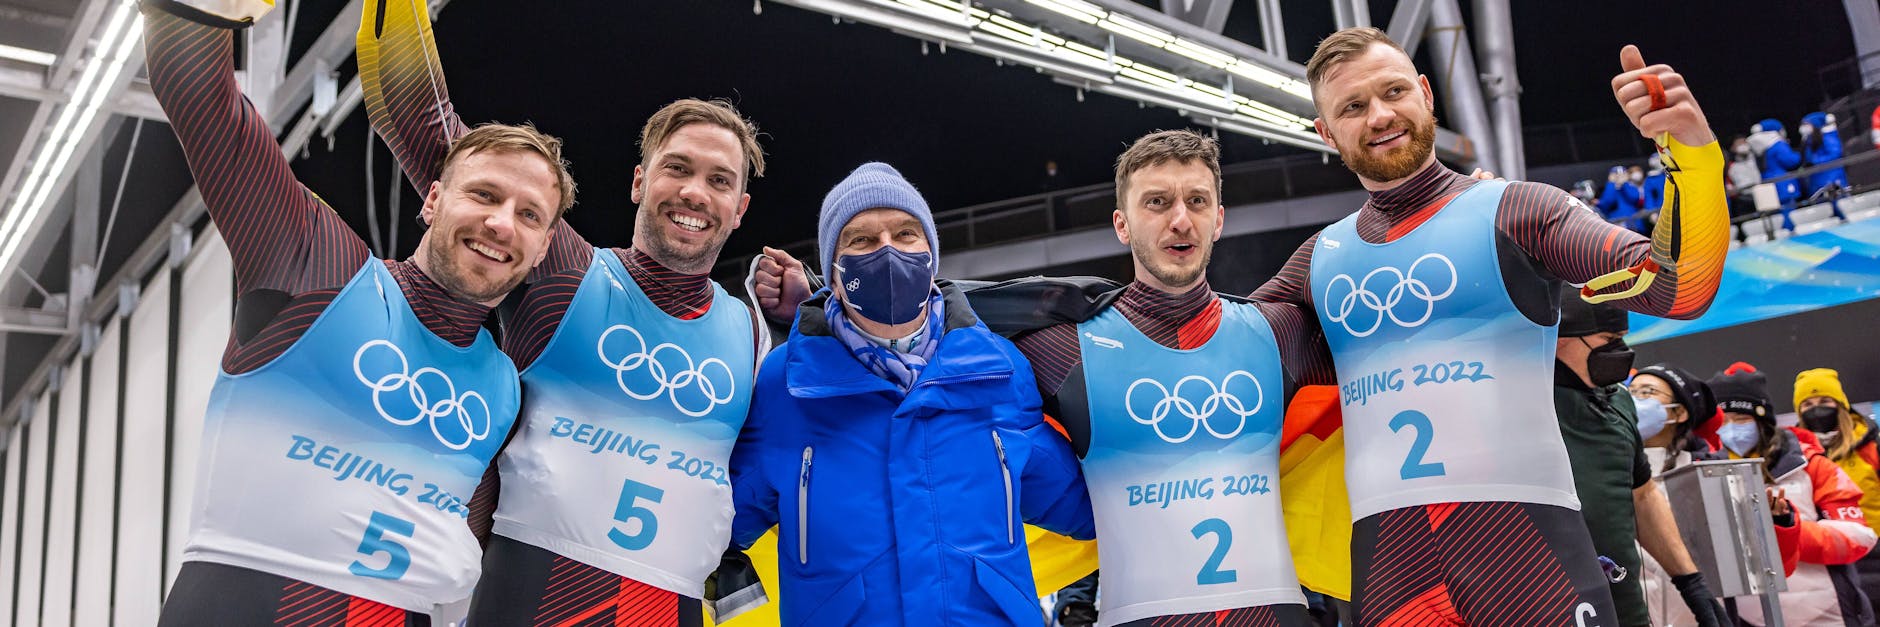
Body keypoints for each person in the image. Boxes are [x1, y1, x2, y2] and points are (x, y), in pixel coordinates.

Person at [1253, 27, 1730, 624]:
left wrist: (1693, 154)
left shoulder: (1517, 210)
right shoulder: (1319, 261)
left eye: (1393, 91)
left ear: (1426, 93)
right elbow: (1217, 360)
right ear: (1326, 133)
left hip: (1525, 550)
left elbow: (1680, 286)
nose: (1379, 116)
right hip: (1390, 569)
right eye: (1352, 107)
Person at [141, 1, 570, 623]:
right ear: (433, 200)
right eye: (483, 194)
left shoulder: (504, 388)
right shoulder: (319, 269)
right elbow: (202, 101)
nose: (501, 224)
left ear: (545, 247)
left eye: (529, 214)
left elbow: (467, 558)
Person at [357, 2, 769, 624]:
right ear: (639, 181)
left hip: (672, 608)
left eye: (719, 180)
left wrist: (813, 307)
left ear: (739, 209)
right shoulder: (564, 272)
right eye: (677, 168)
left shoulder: (754, 331)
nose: (693, 192)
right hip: (530, 599)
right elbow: (418, 120)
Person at [728, 163, 1095, 626]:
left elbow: (1091, 505)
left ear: (931, 256)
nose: (887, 250)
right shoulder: (784, 383)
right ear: (833, 274)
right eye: (861, 240)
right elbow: (717, 519)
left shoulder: (1000, 369)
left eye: (905, 233)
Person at [1552, 294, 1725, 627]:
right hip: (1549, 603)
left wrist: (1691, 583)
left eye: (1622, 338)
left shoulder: (1619, 401)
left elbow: (1642, 494)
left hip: (1624, 603)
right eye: (1609, 339)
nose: (1621, 350)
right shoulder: (1520, 397)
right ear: (1561, 339)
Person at [1708, 365, 1876, 627]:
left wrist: (1785, 530)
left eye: (1740, 418)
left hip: (1824, 611)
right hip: (1745, 616)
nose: (1731, 428)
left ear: (1762, 419)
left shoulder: (1810, 463)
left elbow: (1859, 536)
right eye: (1723, 420)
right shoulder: (1706, 470)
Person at [1630, 363, 1727, 626]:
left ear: (1680, 412)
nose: (1634, 400)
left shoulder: (1705, 473)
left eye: (1647, 392)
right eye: (1631, 391)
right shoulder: (1610, 468)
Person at [1794, 368, 1880, 617]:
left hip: (1875, 550)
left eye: (1824, 401)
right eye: (1807, 404)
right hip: (1832, 559)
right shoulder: (1796, 456)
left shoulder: (1871, 446)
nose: (1816, 410)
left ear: (1840, 404)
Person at [1748, 119, 1804, 231]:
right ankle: (1792, 232)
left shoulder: (1757, 147)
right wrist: (1800, 154)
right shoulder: (1776, 144)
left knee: (1776, 215)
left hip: (1767, 183)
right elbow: (1790, 161)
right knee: (1789, 211)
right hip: (1782, 183)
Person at [1800, 112, 1853, 223]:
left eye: (1807, 124)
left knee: (1840, 207)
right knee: (1826, 211)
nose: (1804, 127)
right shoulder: (1810, 139)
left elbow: (1835, 154)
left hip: (1832, 177)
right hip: (1819, 179)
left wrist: (1815, 161)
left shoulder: (1828, 136)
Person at [1599, 165, 1649, 231]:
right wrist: (1611, 183)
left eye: (1623, 175)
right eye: (1616, 175)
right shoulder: (1610, 189)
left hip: (1634, 224)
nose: (1619, 177)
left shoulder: (1630, 186)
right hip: (1618, 226)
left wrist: (1625, 183)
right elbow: (1606, 203)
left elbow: (1635, 197)